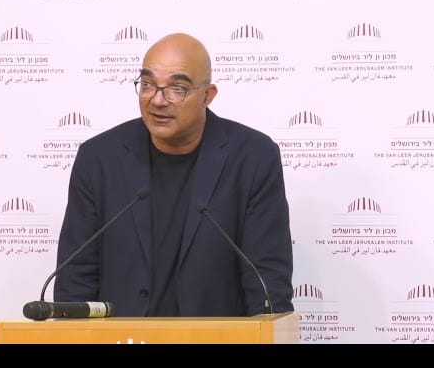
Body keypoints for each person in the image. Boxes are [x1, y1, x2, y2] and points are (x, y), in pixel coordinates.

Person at [54, 32, 294, 317]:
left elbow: (267, 284)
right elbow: (75, 280)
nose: (157, 100)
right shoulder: (99, 159)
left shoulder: (253, 158)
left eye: (177, 89)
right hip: (122, 335)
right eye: (147, 84)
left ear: (207, 95)